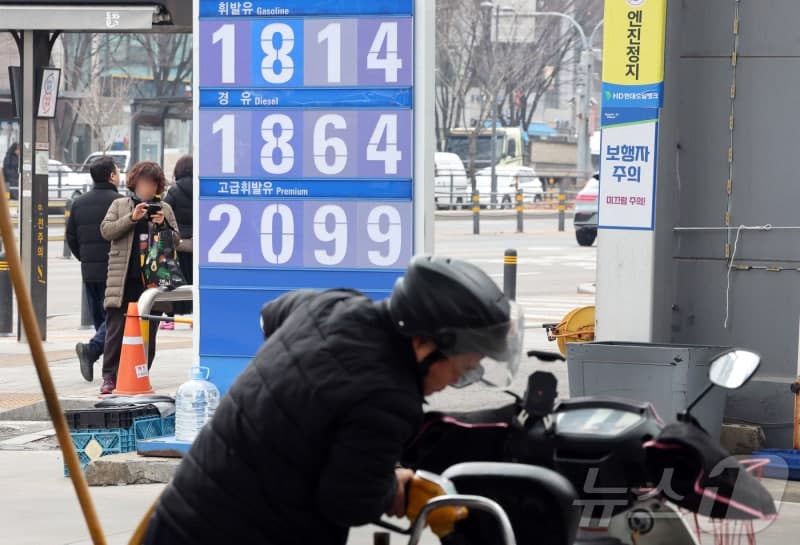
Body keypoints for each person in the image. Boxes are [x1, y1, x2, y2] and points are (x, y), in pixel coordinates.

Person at [143, 255, 524, 545]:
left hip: (181, 512)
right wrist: (397, 490)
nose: (462, 378)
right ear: (426, 343)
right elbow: (348, 502)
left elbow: (271, 315)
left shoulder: (331, 306)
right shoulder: (389, 398)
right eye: (465, 366)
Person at [99, 160, 178, 395]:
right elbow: (106, 230)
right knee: (116, 329)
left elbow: (176, 240)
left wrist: (162, 224)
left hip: (153, 279)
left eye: (153, 184)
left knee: (148, 330)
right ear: (134, 183)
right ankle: (110, 377)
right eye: (144, 183)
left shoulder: (165, 208)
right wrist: (132, 218)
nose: (148, 188)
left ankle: (141, 372)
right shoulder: (120, 204)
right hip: (123, 278)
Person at [66, 156, 124, 381]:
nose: (119, 175)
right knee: (115, 320)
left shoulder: (79, 203)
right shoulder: (120, 202)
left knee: (102, 320)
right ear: (111, 175)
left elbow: (71, 237)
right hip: (115, 271)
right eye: (117, 171)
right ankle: (92, 351)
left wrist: (85, 258)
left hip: (90, 271)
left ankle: (107, 367)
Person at [160, 155, 193, 329]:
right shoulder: (201, 188)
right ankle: (195, 318)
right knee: (195, 280)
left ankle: (169, 319)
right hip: (197, 243)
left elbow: (163, 211)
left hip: (178, 243)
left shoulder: (174, 191)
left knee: (175, 279)